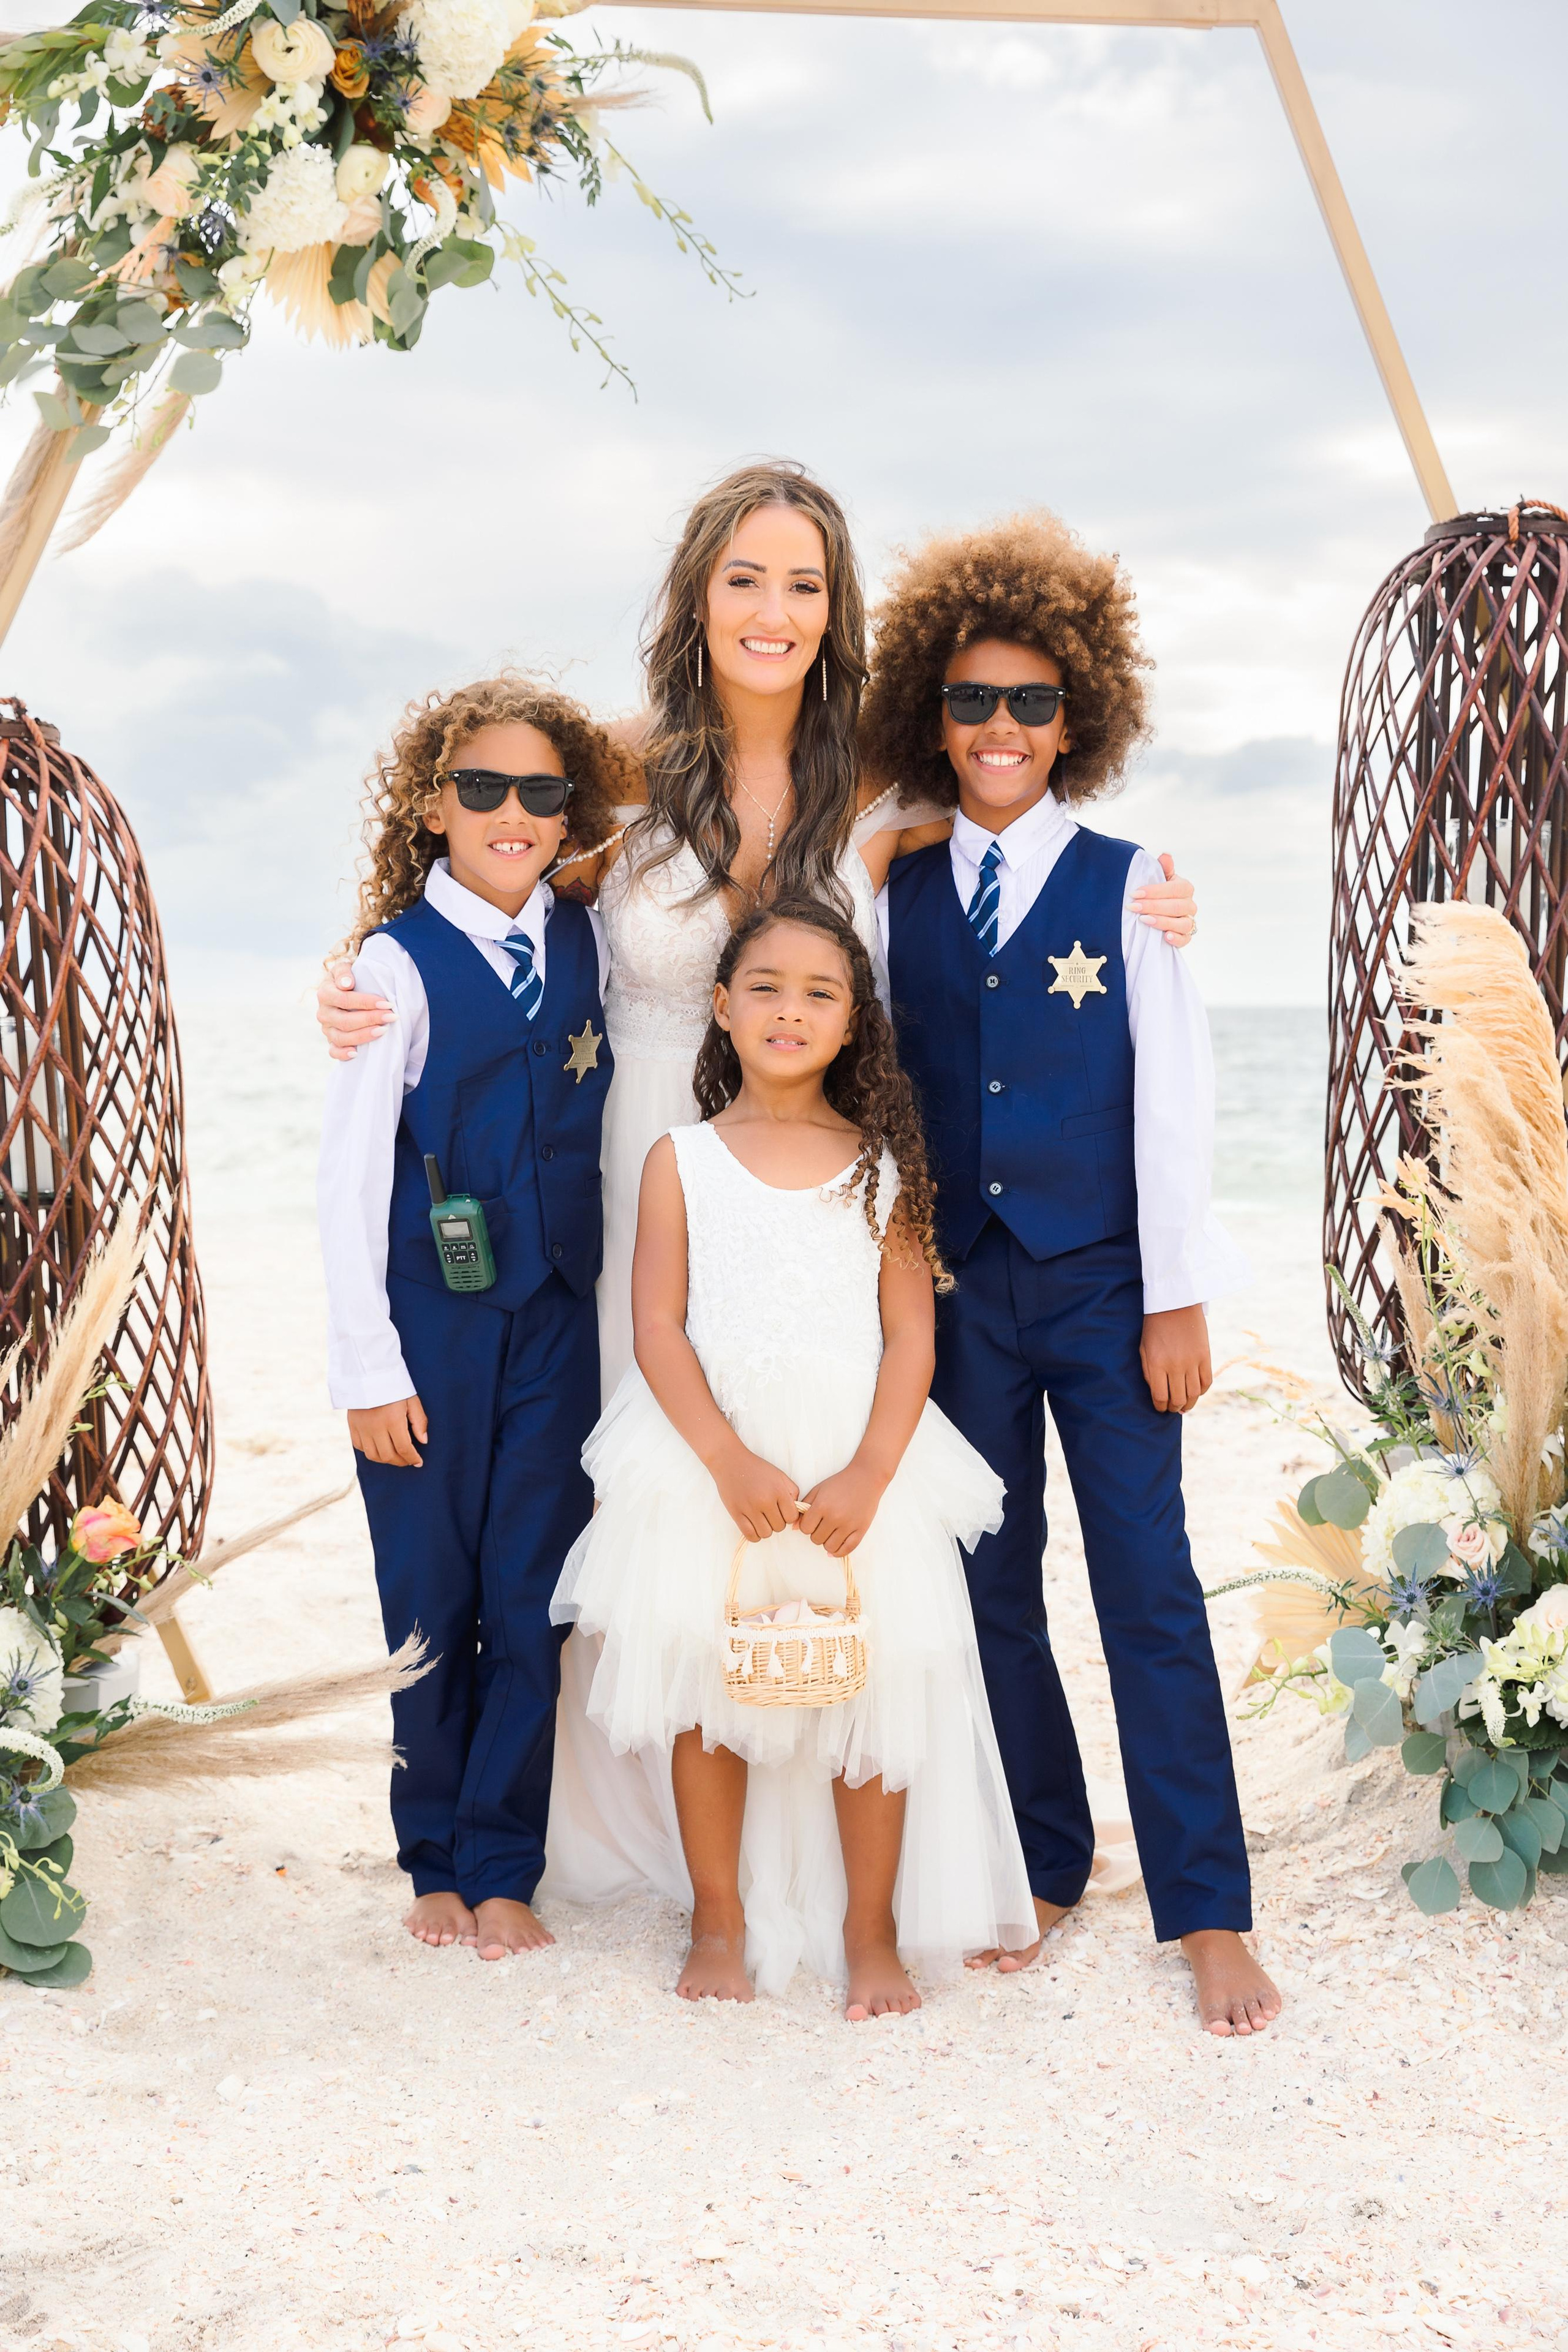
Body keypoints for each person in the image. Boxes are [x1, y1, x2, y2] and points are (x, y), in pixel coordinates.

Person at [862, 512, 1280, 2038]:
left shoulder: (1127, 882)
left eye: (1030, 702)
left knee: (1148, 1591)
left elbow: (1173, 1099)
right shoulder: (887, 880)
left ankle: (1210, 1908)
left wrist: (1177, 1294)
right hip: (958, 1294)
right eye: (970, 701)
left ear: (1075, 718)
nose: (998, 728)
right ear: (934, 714)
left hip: (1105, 1290)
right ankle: (1046, 1857)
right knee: (986, 1587)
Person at [551, 898, 1036, 2015]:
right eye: (764, 987)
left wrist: (871, 1469)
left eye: (821, 992)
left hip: (854, 1461)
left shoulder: (879, 1167)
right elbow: (655, 1327)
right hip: (709, 1460)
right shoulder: (681, 1160)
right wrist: (722, 1458)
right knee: (704, 1682)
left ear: (855, 1022)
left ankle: (872, 1933)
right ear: (720, 1009)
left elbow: (913, 1334)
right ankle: (716, 1917)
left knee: (874, 1682)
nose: (789, 1010)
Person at [317, 677, 633, 1961]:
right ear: (432, 806)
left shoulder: (588, 939)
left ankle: (507, 1861)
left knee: (532, 1593)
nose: (513, 812)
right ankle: (432, 1853)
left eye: (543, 791)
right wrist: (365, 1369)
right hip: (428, 1333)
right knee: (430, 1597)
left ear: (571, 815)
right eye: (483, 789)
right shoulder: (391, 964)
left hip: (557, 1317)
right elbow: (342, 1186)